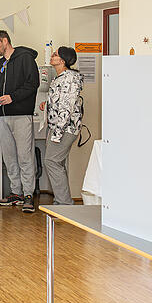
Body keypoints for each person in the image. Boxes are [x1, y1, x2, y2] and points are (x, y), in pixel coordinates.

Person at [0, 29, 40, 214]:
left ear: (5, 41)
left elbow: (32, 84)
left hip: (21, 115)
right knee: (9, 157)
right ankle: (16, 192)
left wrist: (13, 97)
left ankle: (28, 195)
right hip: (2, 116)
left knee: (25, 156)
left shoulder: (26, 59)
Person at [42, 46, 84, 205]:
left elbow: (67, 107)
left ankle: (64, 203)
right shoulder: (59, 78)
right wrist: (47, 106)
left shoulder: (69, 79)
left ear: (63, 60)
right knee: (56, 162)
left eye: (55, 55)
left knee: (51, 161)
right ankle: (62, 202)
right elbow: (60, 102)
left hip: (65, 129)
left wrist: (57, 133)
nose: (51, 57)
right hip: (58, 127)